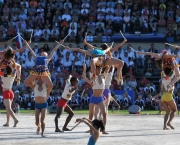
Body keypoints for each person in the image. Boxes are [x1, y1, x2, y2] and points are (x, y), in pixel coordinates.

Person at [82, 62, 109, 134]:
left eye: (100, 68)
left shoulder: (103, 76)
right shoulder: (93, 77)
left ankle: (103, 130)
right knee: (90, 115)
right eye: (98, 69)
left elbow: (107, 67)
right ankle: (91, 130)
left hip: (100, 98)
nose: (99, 70)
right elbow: (84, 76)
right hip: (93, 98)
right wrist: (84, 68)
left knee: (104, 114)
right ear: (95, 69)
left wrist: (103, 60)